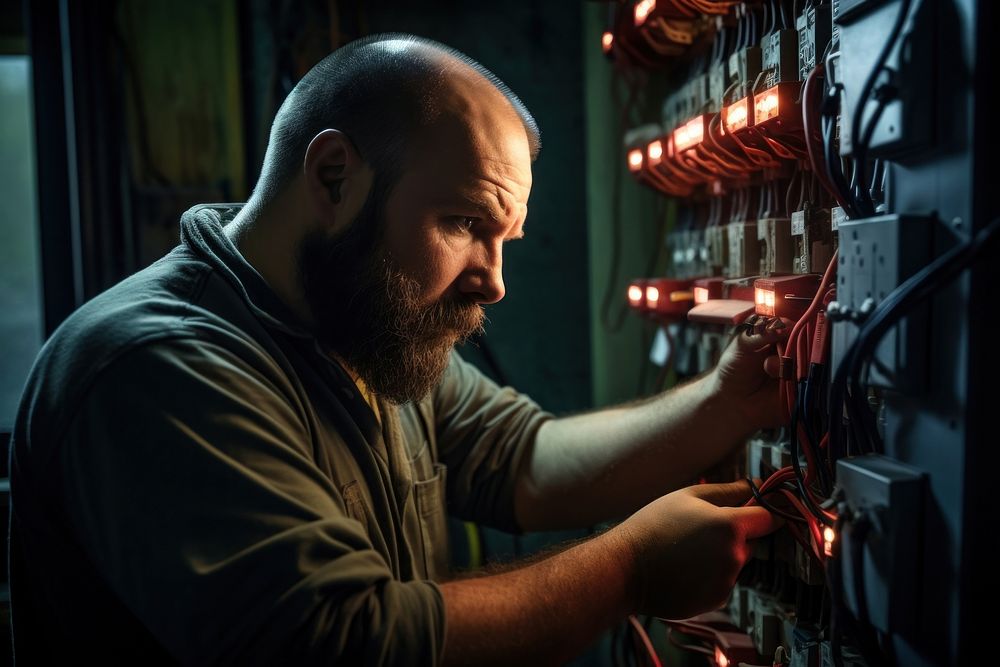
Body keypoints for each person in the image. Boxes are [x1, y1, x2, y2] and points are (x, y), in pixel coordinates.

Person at [9, 34, 787, 665]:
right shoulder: (156, 368)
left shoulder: (365, 328)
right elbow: (340, 642)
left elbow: (524, 459)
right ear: (335, 174)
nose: (494, 282)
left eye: (504, 239)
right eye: (465, 224)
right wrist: (630, 569)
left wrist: (726, 401)